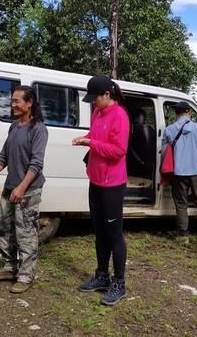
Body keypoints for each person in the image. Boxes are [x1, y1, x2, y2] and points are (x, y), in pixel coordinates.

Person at [0, 86, 48, 294]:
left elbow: (36, 165)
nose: (13, 105)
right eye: (12, 101)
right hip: (11, 188)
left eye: (17, 101)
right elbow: (4, 156)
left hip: (27, 190)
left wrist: (21, 187)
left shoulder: (38, 129)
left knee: (26, 233)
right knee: (2, 228)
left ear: (29, 103)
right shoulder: (14, 127)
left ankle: (26, 276)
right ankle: (10, 267)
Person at [73, 75, 130, 306]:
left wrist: (91, 144)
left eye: (95, 98)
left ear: (107, 95)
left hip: (113, 184)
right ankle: (101, 276)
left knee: (114, 233)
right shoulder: (97, 112)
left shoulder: (120, 116)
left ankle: (119, 283)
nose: (92, 103)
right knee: (99, 230)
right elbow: (96, 136)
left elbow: (118, 150)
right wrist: (85, 138)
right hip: (95, 180)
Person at [162, 102, 197, 248]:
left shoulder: (169, 129)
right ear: (190, 112)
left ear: (176, 113)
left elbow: (163, 149)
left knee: (181, 204)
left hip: (179, 172)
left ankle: (183, 236)